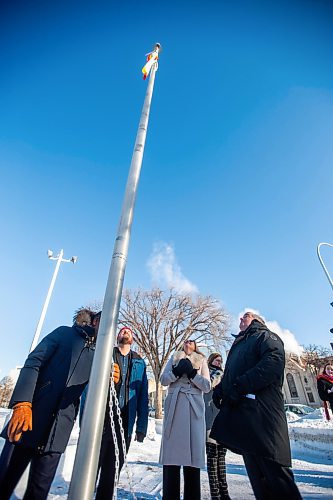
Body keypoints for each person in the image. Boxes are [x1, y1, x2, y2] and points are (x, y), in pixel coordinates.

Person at [0, 307, 99, 500]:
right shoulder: (64, 333)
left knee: (39, 492)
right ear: (94, 321)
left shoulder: (102, 357)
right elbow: (34, 362)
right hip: (29, 418)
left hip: (59, 430)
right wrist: (22, 403)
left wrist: (111, 379)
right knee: (4, 480)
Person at [210, 311, 301, 500]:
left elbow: (273, 362)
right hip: (247, 423)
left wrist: (241, 385)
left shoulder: (265, 336)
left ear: (257, 320)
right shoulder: (240, 344)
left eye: (246, 316)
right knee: (259, 484)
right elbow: (232, 374)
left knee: (277, 480)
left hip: (264, 419)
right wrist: (222, 389)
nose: (241, 319)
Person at [80, 325, 149, 499]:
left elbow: (142, 397)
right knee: (91, 467)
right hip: (101, 420)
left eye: (129, 332)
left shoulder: (139, 362)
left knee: (111, 472)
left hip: (124, 423)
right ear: (117, 336)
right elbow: (88, 388)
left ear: (132, 339)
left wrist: (141, 427)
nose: (125, 332)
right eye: (122, 331)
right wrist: (84, 421)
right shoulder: (105, 355)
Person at [159, 339, 211, 500]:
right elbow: (163, 380)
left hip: (193, 409)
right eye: (186, 341)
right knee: (172, 461)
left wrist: (193, 374)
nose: (188, 343)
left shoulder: (201, 360)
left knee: (192, 461)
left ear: (195, 346)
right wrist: (175, 373)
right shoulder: (174, 358)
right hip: (175, 407)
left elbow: (207, 386)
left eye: (192, 342)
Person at [204, 353, 230, 500]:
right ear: (211, 360)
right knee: (212, 458)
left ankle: (224, 492)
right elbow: (209, 385)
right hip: (210, 421)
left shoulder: (224, 375)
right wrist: (220, 374)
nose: (219, 362)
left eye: (220, 360)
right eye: (216, 360)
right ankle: (215, 493)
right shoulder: (207, 373)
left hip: (222, 420)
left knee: (221, 458)